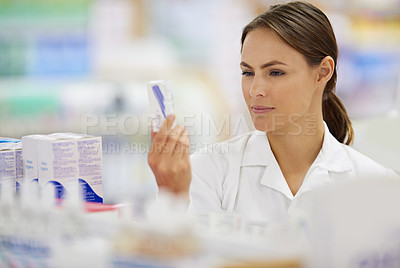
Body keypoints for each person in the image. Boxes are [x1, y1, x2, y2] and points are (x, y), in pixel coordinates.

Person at [148, 1, 398, 223]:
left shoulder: (376, 185)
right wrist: (175, 198)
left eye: (275, 72)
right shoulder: (209, 170)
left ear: (323, 72)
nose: (255, 90)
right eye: (248, 73)